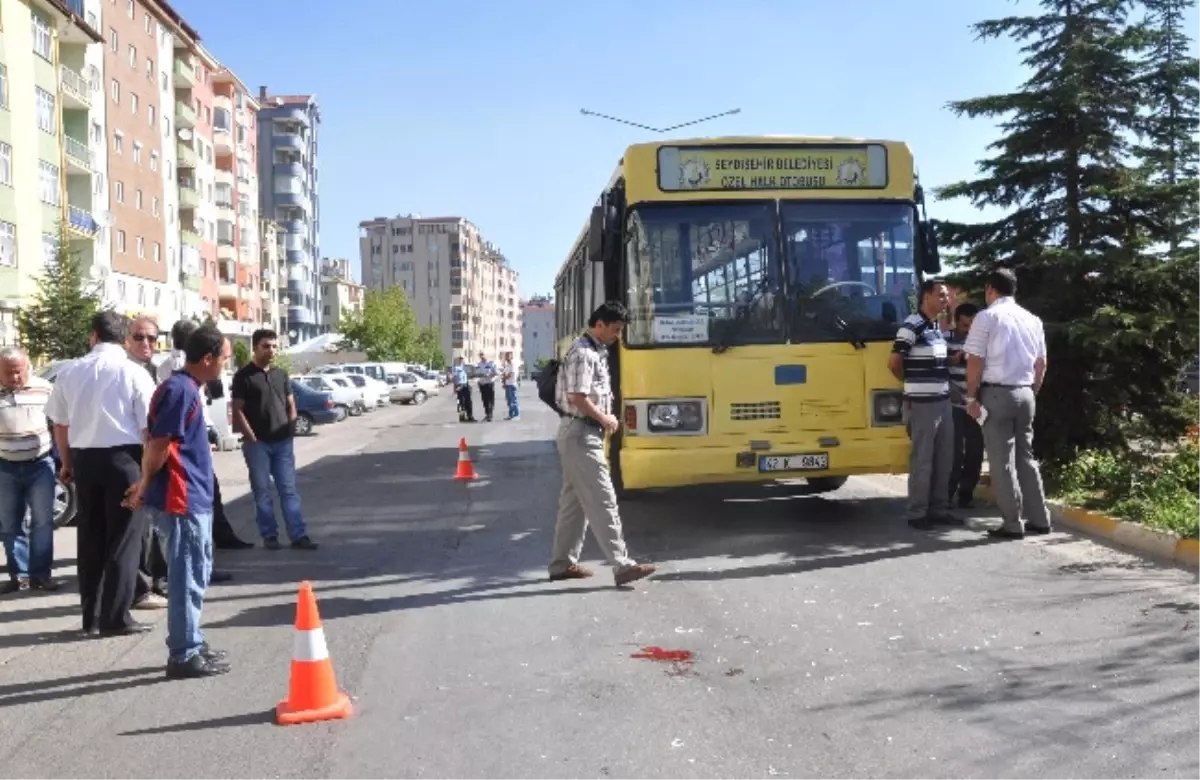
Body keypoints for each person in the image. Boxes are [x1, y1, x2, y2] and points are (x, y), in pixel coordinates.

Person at [124, 326, 232, 678]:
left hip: (192, 496)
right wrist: (145, 484)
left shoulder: (187, 388)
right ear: (207, 358)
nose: (225, 366)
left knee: (196, 573)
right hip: (180, 498)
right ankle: (183, 654)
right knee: (186, 576)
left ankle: (193, 641)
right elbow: (157, 446)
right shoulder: (178, 390)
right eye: (225, 359)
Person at [46, 311, 157, 636]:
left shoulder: (69, 372)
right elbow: (148, 429)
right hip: (123, 460)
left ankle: (91, 618)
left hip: (84, 460)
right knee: (123, 539)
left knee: (90, 538)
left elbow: (60, 424)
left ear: (93, 335)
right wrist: (147, 475)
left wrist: (67, 463)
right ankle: (116, 618)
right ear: (125, 338)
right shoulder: (134, 373)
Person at [549, 301, 655, 587]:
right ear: (599, 325)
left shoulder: (594, 350)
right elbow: (577, 397)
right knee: (602, 498)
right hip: (581, 433)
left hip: (581, 434)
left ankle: (561, 564)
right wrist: (606, 418)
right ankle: (622, 566)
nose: (617, 336)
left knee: (574, 504)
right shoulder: (584, 353)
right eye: (615, 329)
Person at [963, 268, 1052, 539]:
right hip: (1025, 393)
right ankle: (1041, 519)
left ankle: (1013, 523)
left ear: (991, 289)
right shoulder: (1032, 319)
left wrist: (970, 397)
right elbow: (1041, 363)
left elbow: (975, 360)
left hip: (996, 394)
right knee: (1026, 457)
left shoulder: (986, 317)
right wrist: (1031, 390)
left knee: (1001, 461)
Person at [161, 319, 252, 554]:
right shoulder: (182, 374)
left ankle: (210, 544)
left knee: (207, 493)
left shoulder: (175, 371)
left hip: (191, 429)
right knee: (202, 495)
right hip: (186, 439)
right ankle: (211, 543)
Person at [230, 329, 317, 550]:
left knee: (288, 490)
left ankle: (299, 535)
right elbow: (237, 410)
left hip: (282, 443)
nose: (272, 350)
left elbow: (290, 403)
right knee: (262, 492)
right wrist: (251, 437)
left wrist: (290, 428)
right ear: (256, 348)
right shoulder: (244, 376)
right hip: (258, 445)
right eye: (266, 346)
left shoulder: (281, 374)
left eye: (274, 346)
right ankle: (270, 536)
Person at [888, 280, 957, 530]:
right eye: (940, 296)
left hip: (943, 402)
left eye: (946, 297)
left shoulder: (935, 328)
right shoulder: (911, 326)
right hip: (922, 404)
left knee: (944, 458)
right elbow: (894, 362)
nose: (945, 300)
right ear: (926, 296)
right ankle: (918, 513)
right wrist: (911, 385)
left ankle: (939, 510)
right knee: (923, 460)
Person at [0, 347, 59, 593]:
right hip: (5, 466)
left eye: (18, 371)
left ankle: (40, 575)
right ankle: (19, 576)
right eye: (8, 373)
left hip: (40, 464)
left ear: (27, 368)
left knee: (43, 522)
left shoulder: (45, 388)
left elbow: (59, 422)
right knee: (9, 524)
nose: (14, 377)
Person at [125, 316, 169, 610]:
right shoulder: (125, 371)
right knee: (139, 529)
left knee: (154, 527)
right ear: (127, 339)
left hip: (152, 456)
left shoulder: (152, 371)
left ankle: (157, 581)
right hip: (130, 457)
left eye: (152, 338)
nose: (147, 344)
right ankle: (140, 588)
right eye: (140, 337)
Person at [947, 303, 984, 508]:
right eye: (964, 325)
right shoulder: (945, 340)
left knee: (975, 450)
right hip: (954, 404)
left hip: (976, 405)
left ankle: (966, 493)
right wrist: (951, 361)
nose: (968, 330)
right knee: (953, 452)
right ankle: (947, 495)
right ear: (956, 322)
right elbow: (937, 367)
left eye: (972, 325)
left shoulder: (983, 343)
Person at [476, 352, 497, 422]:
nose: (482, 356)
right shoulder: (479, 364)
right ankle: (487, 414)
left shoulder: (491, 363)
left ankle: (490, 415)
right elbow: (477, 374)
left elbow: (496, 372)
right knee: (485, 400)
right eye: (480, 355)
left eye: (483, 355)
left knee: (490, 400)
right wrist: (481, 376)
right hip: (482, 384)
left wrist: (490, 374)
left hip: (490, 383)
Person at [452, 356, 474, 422]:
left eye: (462, 359)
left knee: (468, 401)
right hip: (459, 385)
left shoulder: (464, 367)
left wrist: (468, 384)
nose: (461, 360)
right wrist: (455, 387)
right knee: (460, 402)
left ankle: (470, 416)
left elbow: (467, 376)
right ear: (457, 359)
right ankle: (461, 417)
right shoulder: (455, 367)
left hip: (465, 385)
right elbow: (454, 378)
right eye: (460, 358)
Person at [501, 351, 520, 420]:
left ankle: (516, 415)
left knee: (513, 400)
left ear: (512, 356)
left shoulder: (513, 364)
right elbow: (504, 374)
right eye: (506, 356)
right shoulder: (507, 365)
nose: (506, 357)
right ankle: (511, 415)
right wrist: (504, 382)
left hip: (512, 384)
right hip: (507, 385)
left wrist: (504, 378)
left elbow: (511, 374)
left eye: (508, 356)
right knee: (509, 401)